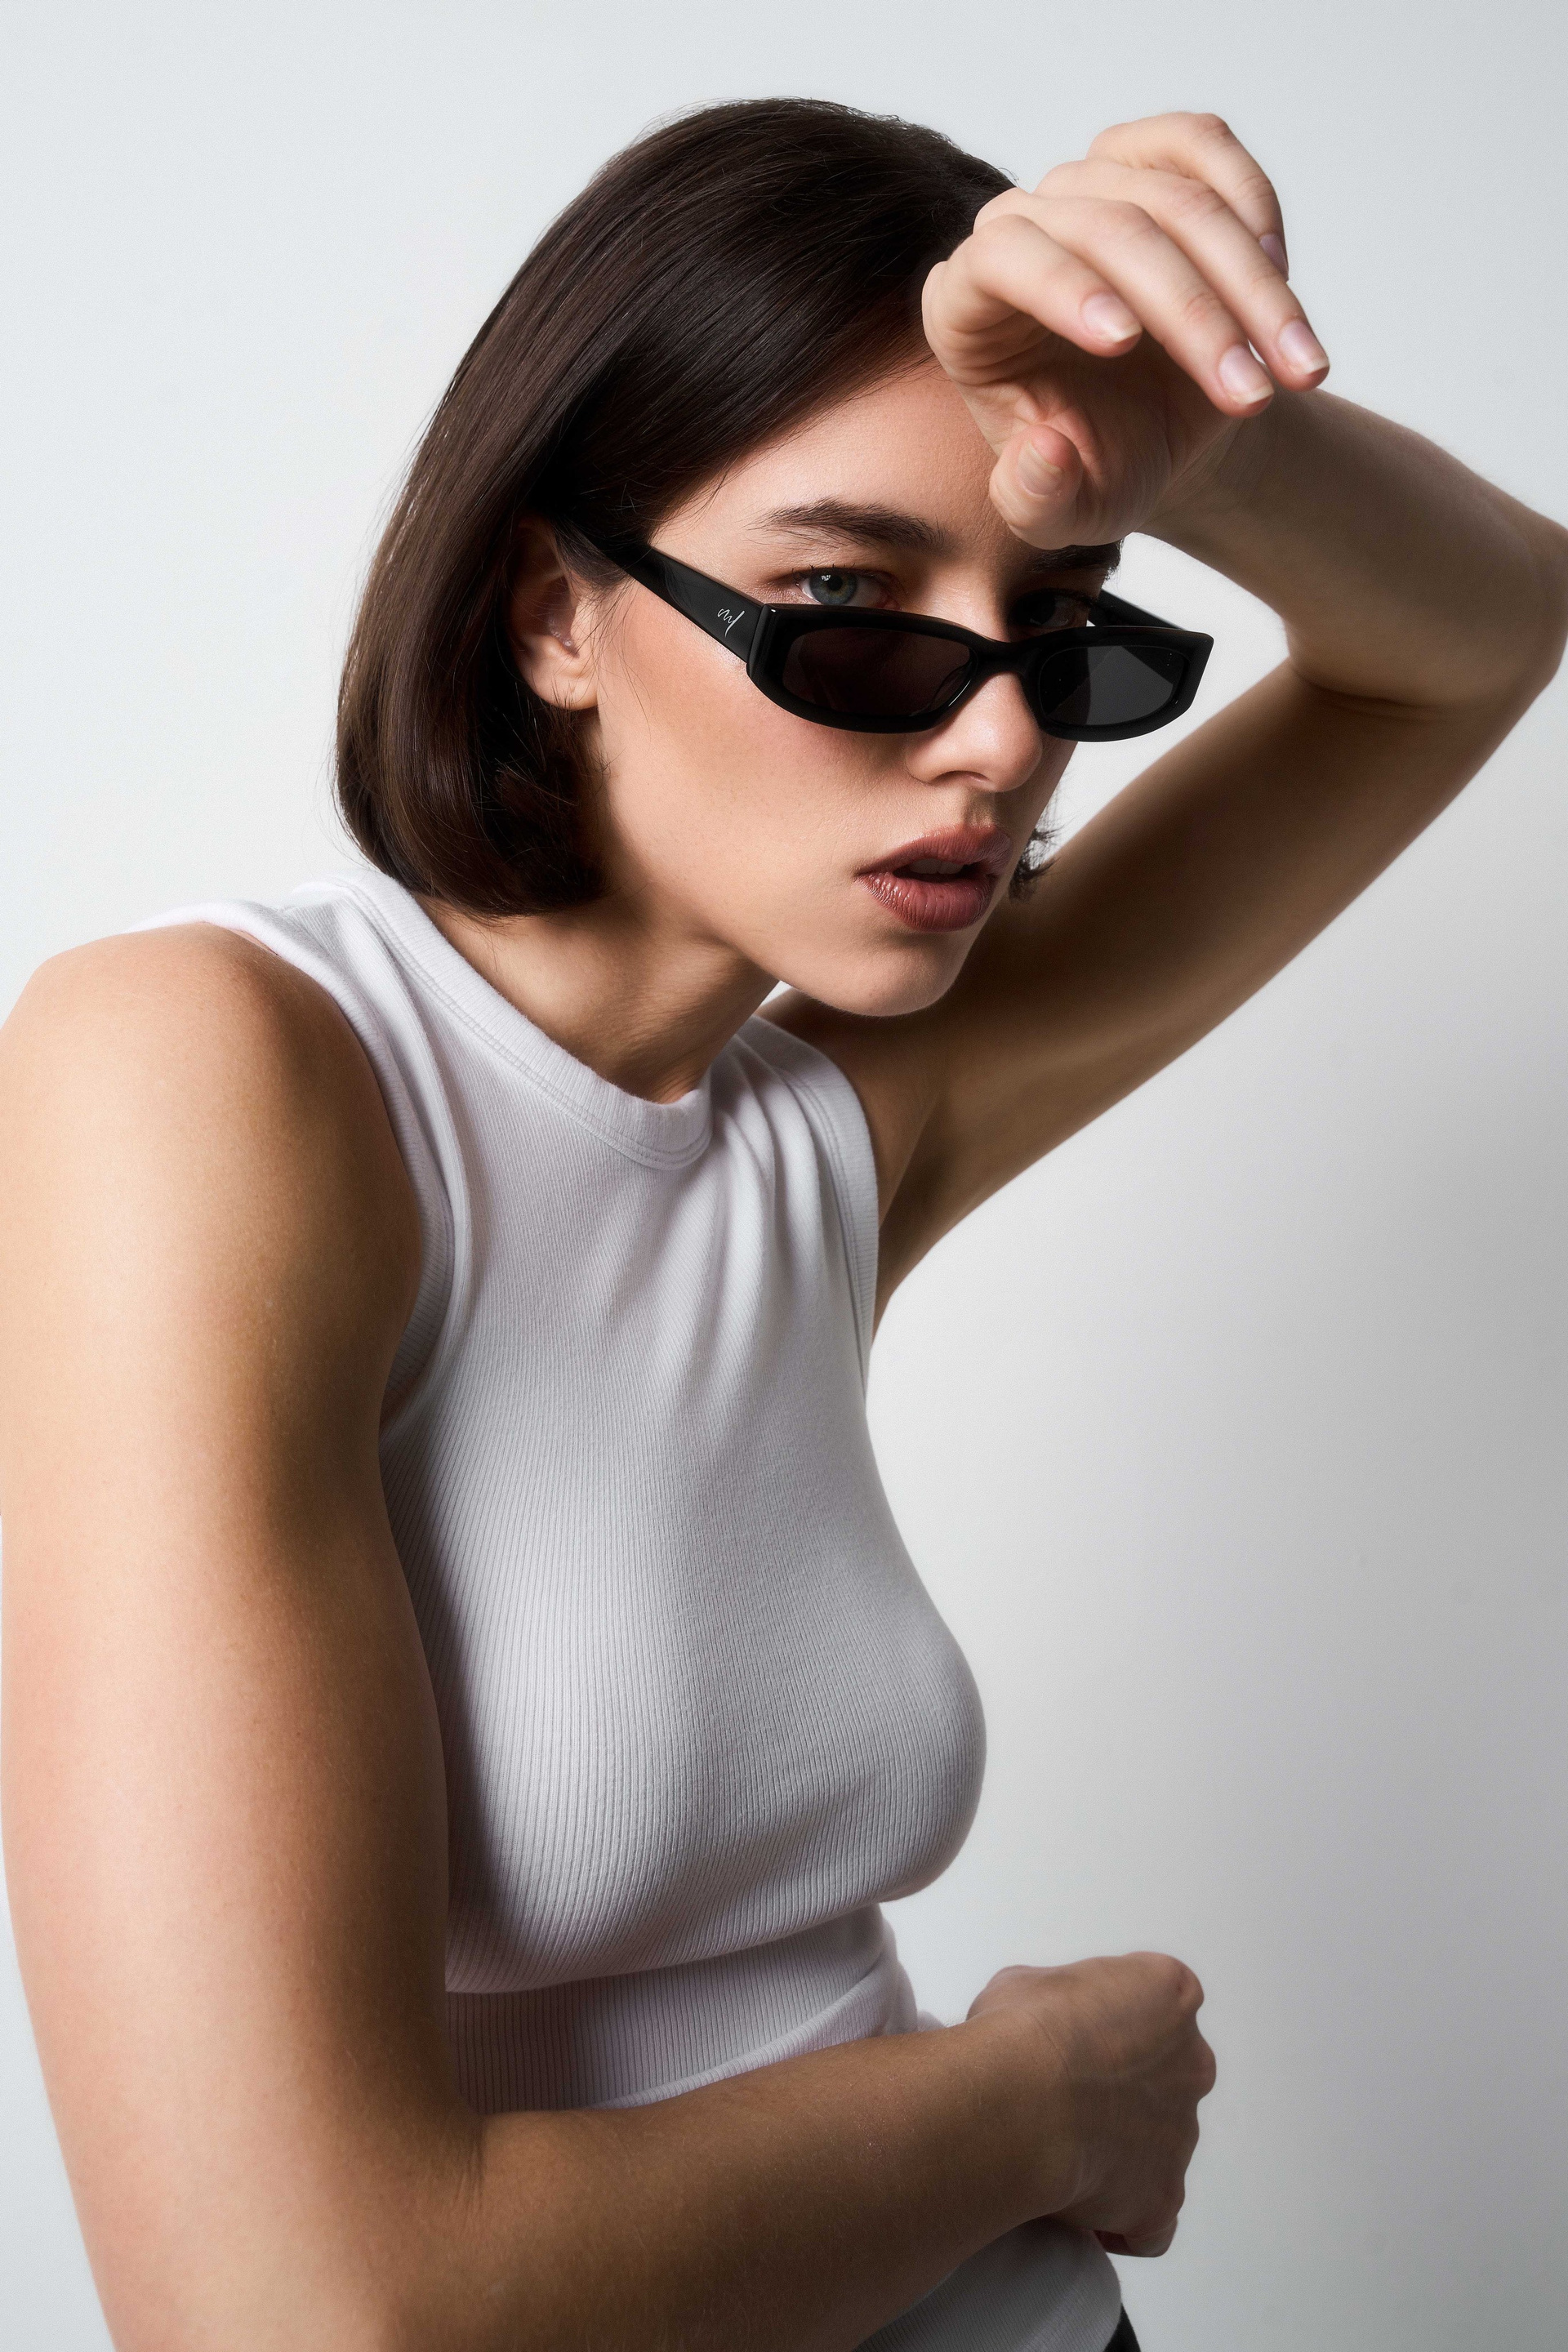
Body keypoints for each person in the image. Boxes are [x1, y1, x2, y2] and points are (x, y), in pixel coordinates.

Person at [1, 93, 1562, 2352]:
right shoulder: (217, 1067)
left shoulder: (829, 1130)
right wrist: (1034, 2101)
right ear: (552, 610)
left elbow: (1482, 633)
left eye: (1058, 627)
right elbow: (300, 2312)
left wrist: (1186, 438)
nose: (999, 743)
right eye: (847, 610)